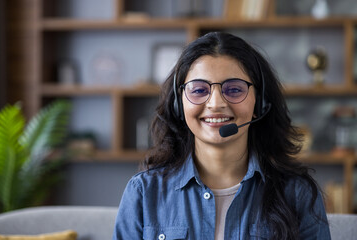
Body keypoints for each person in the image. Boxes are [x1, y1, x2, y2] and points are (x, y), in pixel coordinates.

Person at [113, 32, 331, 240]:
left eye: (234, 90)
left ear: (260, 102)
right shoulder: (144, 192)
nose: (216, 104)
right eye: (199, 90)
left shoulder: (297, 193)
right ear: (180, 105)